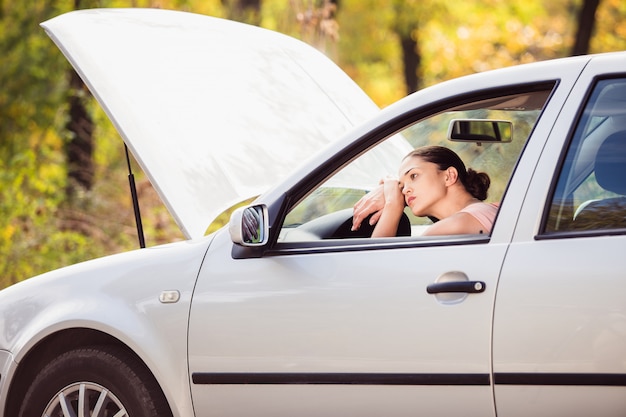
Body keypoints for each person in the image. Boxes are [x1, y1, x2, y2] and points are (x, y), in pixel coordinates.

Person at [352, 146, 499, 237]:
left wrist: (393, 203)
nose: (405, 190)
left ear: (449, 176)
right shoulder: (494, 210)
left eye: (414, 176)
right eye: (401, 186)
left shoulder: (455, 226)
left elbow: (379, 271)